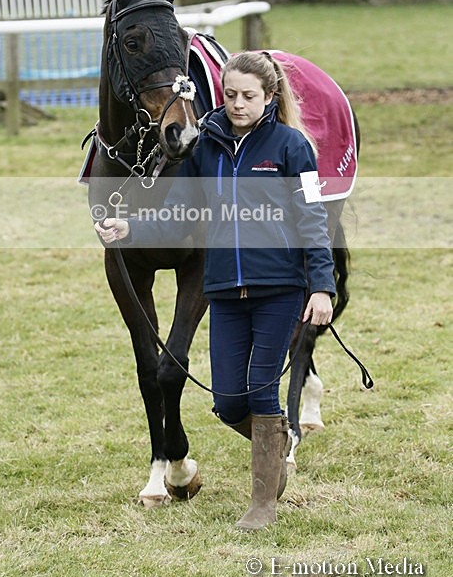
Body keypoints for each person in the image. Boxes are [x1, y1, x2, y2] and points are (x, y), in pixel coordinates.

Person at [96, 51, 335, 530]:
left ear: (269, 98)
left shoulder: (293, 148)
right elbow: (183, 212)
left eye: (249, 96)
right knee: (227, 402)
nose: (238, 104)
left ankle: (262, 503)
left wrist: (322, 287)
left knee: (262, 394)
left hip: (278, 290)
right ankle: (277, 444)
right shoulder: (204, 146)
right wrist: (131, 226)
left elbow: (313, 221)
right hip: (225, 290)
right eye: (230, 95)